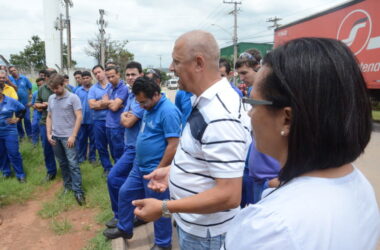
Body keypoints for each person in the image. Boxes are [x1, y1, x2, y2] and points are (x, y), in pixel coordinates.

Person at [223, 38, 380, 249]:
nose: (249, 113)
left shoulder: (270, 226)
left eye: (253, 103)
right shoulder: (358, 183)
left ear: (286, 118)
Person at [132, 30, 251, 250]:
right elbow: (204, 154)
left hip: (206, 235)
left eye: (176, 61)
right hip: (196, 227)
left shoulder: (219, 115)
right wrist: (173, 171)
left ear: (198, 63)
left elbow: (229, 194)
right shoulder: (206, 101)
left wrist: (165, 207)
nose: (170, 68)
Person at [104, 77, 181, 250]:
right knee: (125, 193)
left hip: (156, 170)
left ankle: (163, 243)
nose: (141, 105)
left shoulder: (168, 111)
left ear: (155, 95)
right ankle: (125, 228)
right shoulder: (148, 107)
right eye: (138, 102)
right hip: (139, 165)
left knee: (161, 209)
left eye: (143, 102)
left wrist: (160, 169)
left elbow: (173, 145)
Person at [105, 62, 144, 232]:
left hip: (137, 148)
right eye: (127, 75)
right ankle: (123, 215)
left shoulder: (143, 96)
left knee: (116, 178)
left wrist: (124, 115)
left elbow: (127, 122)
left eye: (133, 74)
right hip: (128, 145)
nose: (130, 78)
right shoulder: (131, 95)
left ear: (140, 75)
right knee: (118, 180)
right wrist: (124, 115)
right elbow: (124, 116)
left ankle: (127, 216)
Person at [46, 74, 85, 206]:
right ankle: (67, 187)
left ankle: (78, 191)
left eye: (57, 88)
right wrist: (48, 134)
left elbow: (79, 117)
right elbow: (49, 116)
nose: (55, 91)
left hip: (68, 137)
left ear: (63, 84)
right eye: (53, 89)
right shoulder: (51, 98)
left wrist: (73, 135)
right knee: (62, 163)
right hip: (55, 137)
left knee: (73, 164)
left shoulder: (73, 98)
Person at [88, 65, 113, 176]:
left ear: (104, 71)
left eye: (99, 72)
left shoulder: (113, 85)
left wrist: (100, 103)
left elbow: (118, 103)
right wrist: (106, 103)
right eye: (95, 73)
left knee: (115, 145)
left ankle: (118, 167)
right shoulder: (93, 89)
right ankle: (107, 167)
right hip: (98, 121)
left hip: (113, 120)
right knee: (101, 145)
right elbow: (91, 105)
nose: (98, 75)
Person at [0, 77, 26, 182]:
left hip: (9, 131)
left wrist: (18, 119)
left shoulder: (10, 101)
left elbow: (23, 109)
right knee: (1, 153)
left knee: (13, 152)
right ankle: (6, 172)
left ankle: (20, 175)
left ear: (1, 90)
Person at [34, 69, 58, 181]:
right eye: (51, 78)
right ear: (47, 78)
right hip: (45, 122)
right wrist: (41, 105)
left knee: (65, 148)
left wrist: (51, 104)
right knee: (47, 149)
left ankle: (68, 171)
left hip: (61, 123)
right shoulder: (41, 89)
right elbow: (36, 103)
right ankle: (51, 172)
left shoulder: (62, 87)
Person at [103, 66, 129, 165]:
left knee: (120, 153)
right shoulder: (109, 87)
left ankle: (120, 176)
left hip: (118, 126)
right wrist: (111, 102)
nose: (110, 79)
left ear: (118, 74)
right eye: (108, 77)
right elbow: (103, 103)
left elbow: (113, 107)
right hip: (108, 124)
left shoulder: (123, 88)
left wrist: (107, 102)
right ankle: (116, 173)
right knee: (113, 153)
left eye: (112, 76)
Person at [75, 71, 96, 163]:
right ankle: (81, 157)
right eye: (83, 78)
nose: (85, 80)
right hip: (81, 120)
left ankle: (92, 158)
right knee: (81, 140)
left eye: (87, 78)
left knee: (93, 140)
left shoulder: (95, 89)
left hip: (93, 120)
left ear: (91, 78)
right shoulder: (78, 91)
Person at [8, 65, 32, 140]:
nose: (13, 72)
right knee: (18, 120)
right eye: (11, 71)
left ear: (17, 70)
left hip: (25, 102)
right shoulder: (9, 79)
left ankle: (30, 135)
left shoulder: (24, 78)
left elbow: (30, 87)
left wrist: (30, 96)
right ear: (9, 72)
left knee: (27, 119)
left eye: (14, 70)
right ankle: (21, 136)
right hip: (15, 103)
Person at [31, 77, 44, 146]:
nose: (40, 87)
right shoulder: (35, 93)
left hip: (46, 112)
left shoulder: (48, 92)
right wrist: (36, 107)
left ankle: (43, 142)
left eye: (41, 85)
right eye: (38, 85)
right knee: (34, 125)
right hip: (37, 112)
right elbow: (32, 104)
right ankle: (34, 143)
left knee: (43, 128)